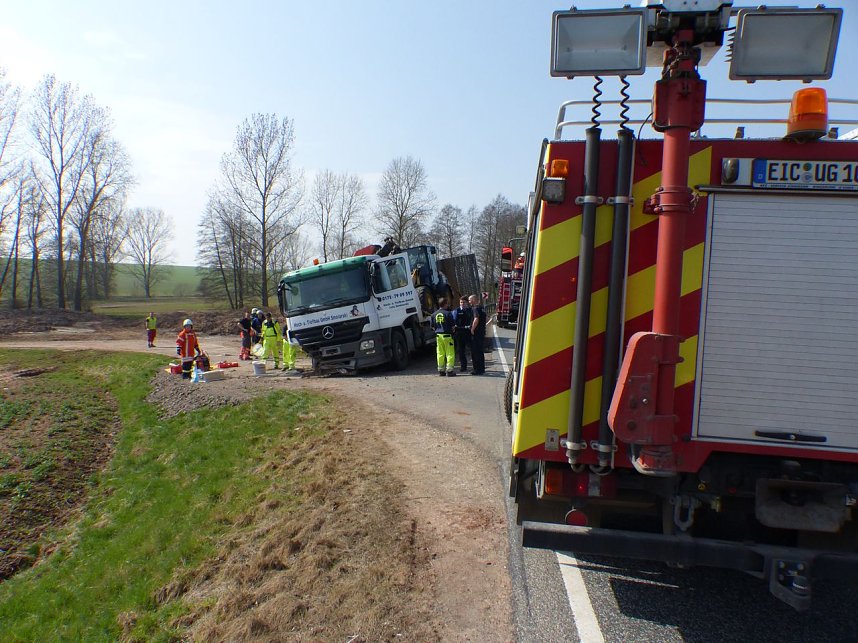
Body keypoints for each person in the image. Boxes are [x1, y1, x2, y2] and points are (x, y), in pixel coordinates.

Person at [432, 297, 456, 377]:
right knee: (449, 353)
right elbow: (453, 326)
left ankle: (441, 370)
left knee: (440, 353)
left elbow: (432, 327)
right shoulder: (448, 313)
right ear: (445, 304)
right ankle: (449, 370)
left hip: (438, 336)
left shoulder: (434, 314)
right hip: (447, 335)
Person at [452, 296, 472, 373]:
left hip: (468, 333)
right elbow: (453, 321)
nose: (462, 304)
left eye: (463, 302)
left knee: (472, 350)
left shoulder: (470, 311)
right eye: (461, 302)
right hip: (459, 334)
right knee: (461, 351)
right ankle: (463, 367)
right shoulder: (456, 311)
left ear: (467, 303)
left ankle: (475, 366)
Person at [469, 294, 487, 375]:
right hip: (482, 332)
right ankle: (482, 368)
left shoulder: (475, 308)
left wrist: (472, 329)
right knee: (480, 351)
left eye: (470, 300)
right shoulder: (481, 308)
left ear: (473, 300)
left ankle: (477, 370)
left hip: (476, 333)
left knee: (475, 351)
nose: (469, 302)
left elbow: (476, 319)